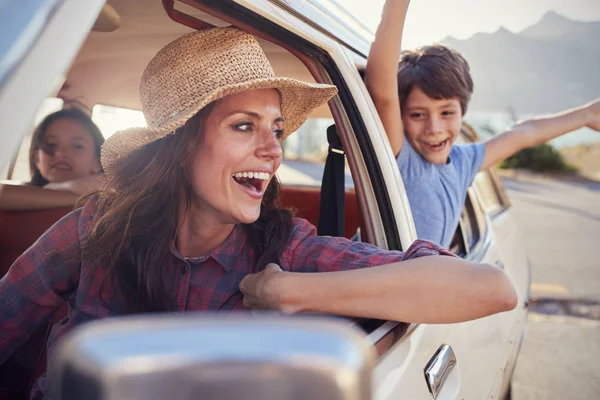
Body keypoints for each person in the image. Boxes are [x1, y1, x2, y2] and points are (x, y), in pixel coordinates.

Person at [0, 27, 517, 399]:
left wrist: (291, 291)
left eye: (277, 129)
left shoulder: (286, 249)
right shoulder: (97, 227)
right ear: (177, 145)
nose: (275, 150)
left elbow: (491, 290)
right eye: (245, 126)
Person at [365, 0, 600, 247]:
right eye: (418, 115)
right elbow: (382, 94)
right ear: (400, 117)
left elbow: (522, 133)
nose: (434, 128)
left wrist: (586, 115)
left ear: (462, 111)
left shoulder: (462, 163)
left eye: (446, 113)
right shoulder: (402, 159)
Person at [0, 108, 105, 210]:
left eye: (77, 146)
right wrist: (80, 198)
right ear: (37, 158)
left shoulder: (111, 204)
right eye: (51, 145)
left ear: (97, 161)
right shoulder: (14, 193)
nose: (60, 153)